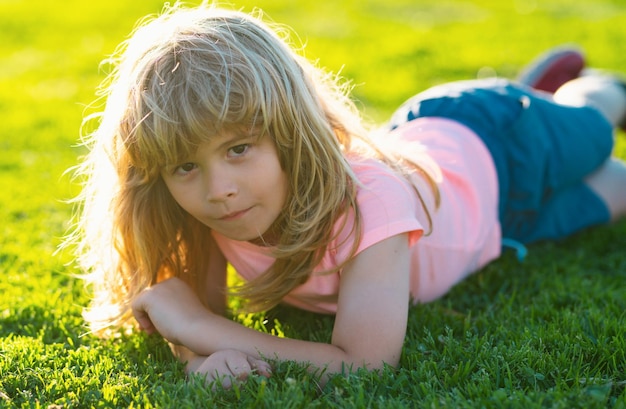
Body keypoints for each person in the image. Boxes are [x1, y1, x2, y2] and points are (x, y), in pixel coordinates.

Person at [66, 3, 626, 388]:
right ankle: (544, 90)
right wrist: (197, 360)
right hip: (499, 226)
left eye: (239, 148)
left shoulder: (367, 200)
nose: (220, 189)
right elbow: (191, 316)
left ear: (291, 129)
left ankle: (584, 91)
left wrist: (203, 333)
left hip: (497, 142)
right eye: (186, 165)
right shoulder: (212, 210)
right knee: (619, 187)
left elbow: (365, 366)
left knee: (596, 128)